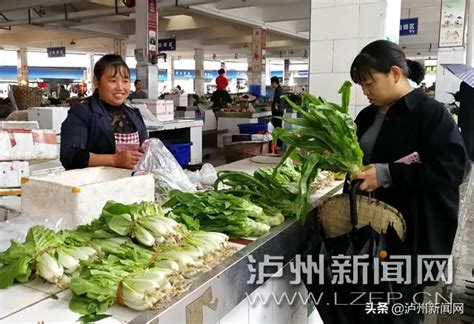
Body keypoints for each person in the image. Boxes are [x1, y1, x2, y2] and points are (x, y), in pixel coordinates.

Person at [349, 40, 470, 323]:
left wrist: (387, 174)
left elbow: (453, 169)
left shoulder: (430, 114)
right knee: (377, 302)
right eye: (361, 86)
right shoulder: (366, 116)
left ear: (394, 73)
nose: (365, 92)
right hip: (373, 229)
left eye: (370, 83)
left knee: (401, 306)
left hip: (415, 232)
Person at [60, 54, 147, 170]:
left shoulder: (134, 114)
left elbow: (146, 150)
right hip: (96, 185)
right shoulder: (82, 112)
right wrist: (114, 160)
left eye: (125, 81)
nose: (120, 87)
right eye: (113, 81)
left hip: (131, 183)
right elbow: (70, 156)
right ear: (96, 81)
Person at [270, 76, 284, 147]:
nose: (271, 85)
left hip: (278, 112)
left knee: (278, 127)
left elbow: (279, 101)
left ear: (274, 83)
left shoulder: (279, 90)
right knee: (277, 127)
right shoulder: (278, 89)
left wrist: (276, 106)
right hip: (278, 112)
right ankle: (278, 144)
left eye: (271, 83)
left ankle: (279, 144)